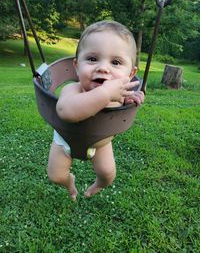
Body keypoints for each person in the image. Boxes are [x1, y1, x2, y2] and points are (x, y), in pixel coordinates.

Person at [47, 20, 145, 200]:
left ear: (130, 74)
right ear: (76, 66)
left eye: (115, 62)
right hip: (65, 142)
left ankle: (96, 187)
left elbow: (122, 107)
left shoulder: (120, 95)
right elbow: (66, 111)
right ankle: (69, 183)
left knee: (108, 175)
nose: (103, 68)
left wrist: (128, 99)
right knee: (56, 176)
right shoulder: (73, 89)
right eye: (92, 59)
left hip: (100, 144)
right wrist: (106, 92)